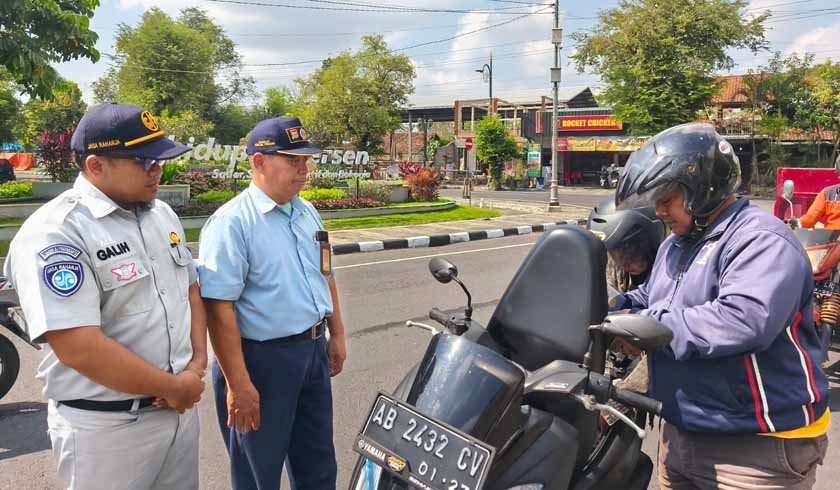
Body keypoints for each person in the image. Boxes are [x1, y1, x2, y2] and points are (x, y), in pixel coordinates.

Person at [613, 123, 830, 489]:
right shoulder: (676, 243)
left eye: (667, 199)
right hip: (684, 432)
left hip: (756, 446)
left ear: (703, 190)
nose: (659, 210)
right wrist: (615, 302)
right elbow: (656, 298)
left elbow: (743, 319)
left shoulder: (759, 239)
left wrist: (645, 325)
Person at [3, 103, 207, 490]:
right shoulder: (56, 233)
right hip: (107, 429)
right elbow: (79, 347)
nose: (158, 170)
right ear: (96, 166)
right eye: (144, 161)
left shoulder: (161, 214)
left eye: (160, 160)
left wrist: (196, 364)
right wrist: (173, 387)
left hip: (178, 415)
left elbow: (191, 289)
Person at [198, 116, 347, 490]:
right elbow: (219, 310)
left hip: (312, 351)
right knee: (258, 473)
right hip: (261, 361)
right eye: (292, 160)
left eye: (306, 160)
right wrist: (238, 382)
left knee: (317, 464)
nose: (304, 169)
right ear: (259, 162)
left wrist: (336, 333)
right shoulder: (232, 224)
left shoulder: (306, 211)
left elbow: (325, 274)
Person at [800, 153, 840, 229]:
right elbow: (810, 219)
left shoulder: (828, 193)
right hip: (831, 239)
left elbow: (810, 220)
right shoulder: (827, 194)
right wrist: (796, 223)